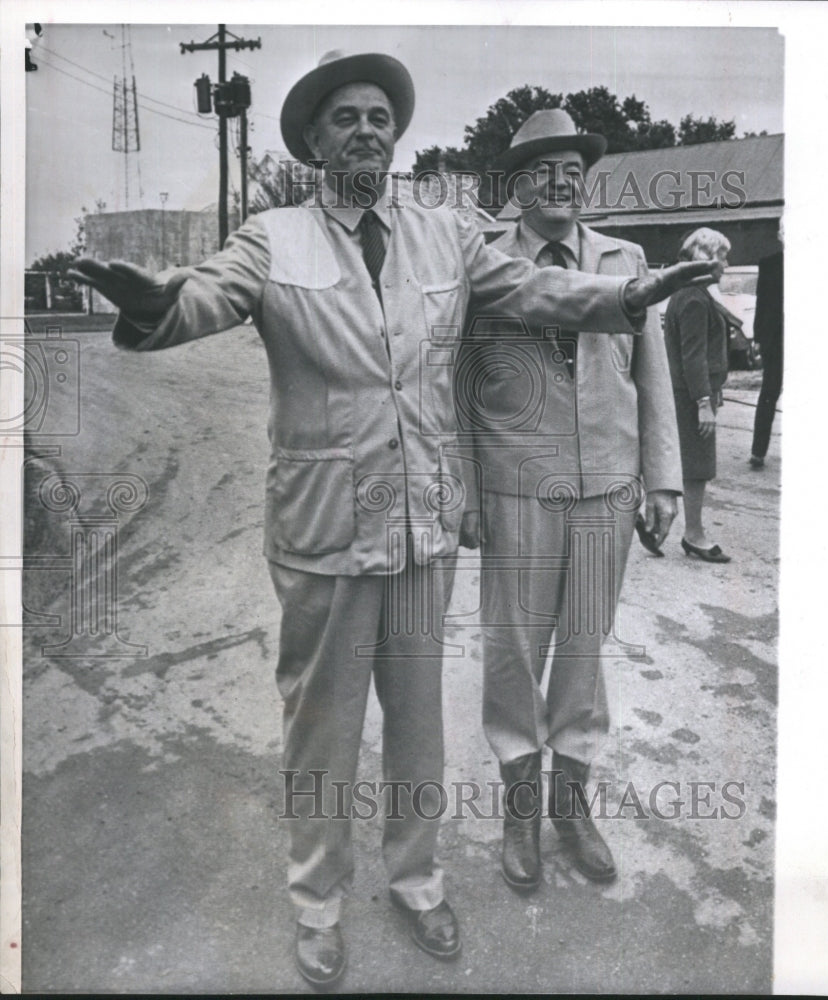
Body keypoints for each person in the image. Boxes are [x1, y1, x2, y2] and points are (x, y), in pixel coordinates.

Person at [69, 51, 713, 988]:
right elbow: (202, 297)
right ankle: (318, 905)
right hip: (325, 536)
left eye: (379, 116)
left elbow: (539, 291)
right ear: (314, 142)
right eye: (345, 119)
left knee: (419, 731)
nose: (366, 130)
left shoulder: (442, 234)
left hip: (420, 536)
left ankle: (417, 883)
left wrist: (635, 293)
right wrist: (152, 304)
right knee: (322, 734)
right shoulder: (272, 236)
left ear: (395, 134)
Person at [456, 110, 683, 893]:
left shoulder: (627, 261)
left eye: (572, 169)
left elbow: (652, 379)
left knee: (585, 650)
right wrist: (465, 490)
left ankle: (570, 806)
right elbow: (457, 388)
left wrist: (663, 481)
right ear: (516, 182)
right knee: (513, 650)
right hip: (516, 486)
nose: (560, 181)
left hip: (608, 489)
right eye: (544, 167)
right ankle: (519, 812)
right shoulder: (481, 264)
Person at [663, 227, 732, 563]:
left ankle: (655, 524)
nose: (727, 264)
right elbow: (694, 355)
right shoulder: (693, 298)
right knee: (696, 467)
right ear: (706, 258)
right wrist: (703, 402)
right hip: (691, 395)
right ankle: (693, 535)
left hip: (691, 392)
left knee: (689, 465)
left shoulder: (693, 294)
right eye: (722, 256)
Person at [750, 221, 784, 468]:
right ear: (780, 235)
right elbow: (762, 304)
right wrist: (758, 338)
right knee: (769, 393)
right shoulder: (770, 264)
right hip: (776, 340)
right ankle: (758, 451)